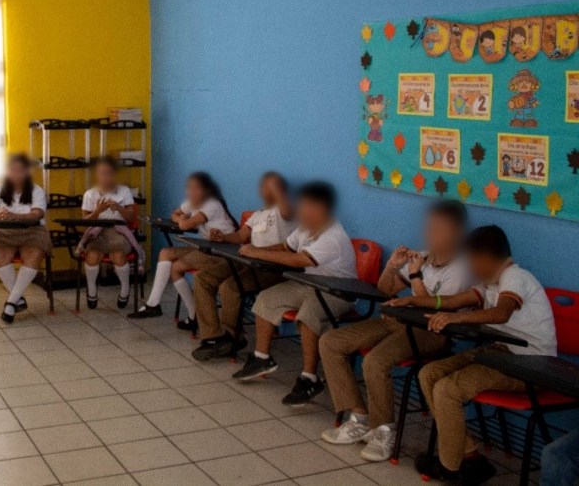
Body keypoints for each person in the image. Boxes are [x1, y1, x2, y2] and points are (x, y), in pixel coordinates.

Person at [394, 225, 556, 484]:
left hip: (528, 365)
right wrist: (412, 301)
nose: (471, 267)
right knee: (428, 374)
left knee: (447, 389)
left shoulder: (515, 277)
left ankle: (450, 468)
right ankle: (470, 456)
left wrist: (455, 319)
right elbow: (452, 301)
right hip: (498, 353)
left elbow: (501, 313)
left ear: (486, 258)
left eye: (473, 261)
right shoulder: (490, 283)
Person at [319, 200, 472, 462]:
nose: (432, 233)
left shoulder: (461, 268)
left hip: (430, 333)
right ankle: (359, 417)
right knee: (331, 341)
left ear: (458, 232)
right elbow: (385, 290)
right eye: (431, 226)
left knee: (375, 361)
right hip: (398, 323)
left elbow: (434, 311)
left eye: (441, 228)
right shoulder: (422, 257)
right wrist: (392, 266)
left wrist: (415, 277)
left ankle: (384, 430)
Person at [232, 181, 356, 408]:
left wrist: (257, 253)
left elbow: (299, 259)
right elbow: (285, 248)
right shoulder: (306, 228)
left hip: (338, 292)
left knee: (308, 315)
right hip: (309, 284)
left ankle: (309, 378)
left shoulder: (333, 235)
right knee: (266, 299)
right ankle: (262, 358)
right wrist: (255, 251)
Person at [191, 171, 296, 360]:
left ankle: (231, 337)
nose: (264, 190)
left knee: (229, 287)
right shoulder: (258, 214)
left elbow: (287, 211)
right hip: (247, 260)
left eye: (269, 186)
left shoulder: (286, 211)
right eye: (264, 186)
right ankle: (213, 336)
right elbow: (240, 236)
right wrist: (223, 237)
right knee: (203, 278)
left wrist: (278, 191)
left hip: (273, 268)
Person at [129, 172, 237, 326]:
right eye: (190, 188)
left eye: (196, 188)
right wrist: (181, 218)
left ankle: (194, 316)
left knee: (176, 268)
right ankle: (154, 304)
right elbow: (176, 213)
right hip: (206, 246)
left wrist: (182, 220)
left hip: (223, 251)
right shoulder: (191, 203)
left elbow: (185, 225)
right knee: (165, 253)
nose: (192, 192)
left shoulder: (212, 204)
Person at [0, 153, 53, 324]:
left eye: (20, 171)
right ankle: (18, 299)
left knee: (33, 255)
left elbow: (37, 214)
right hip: (5, 232)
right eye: (12, 170)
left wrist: (15, 216)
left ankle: (10, 304)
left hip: (33, 232)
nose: (16, 174)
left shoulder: (37, 190)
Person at [78, 156, 139, 309]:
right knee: (92, 255)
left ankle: (125, 289)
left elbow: (131, 217)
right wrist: (98, 211)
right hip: (97, 230)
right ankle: (91, 290)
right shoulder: (90, 194)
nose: (106, 177)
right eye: (102, 173)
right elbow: (85, 222)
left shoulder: (124, 191)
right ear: (97, 175)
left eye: (109, 173)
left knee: (118, 255)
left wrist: (119, 208)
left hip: (118, 230)